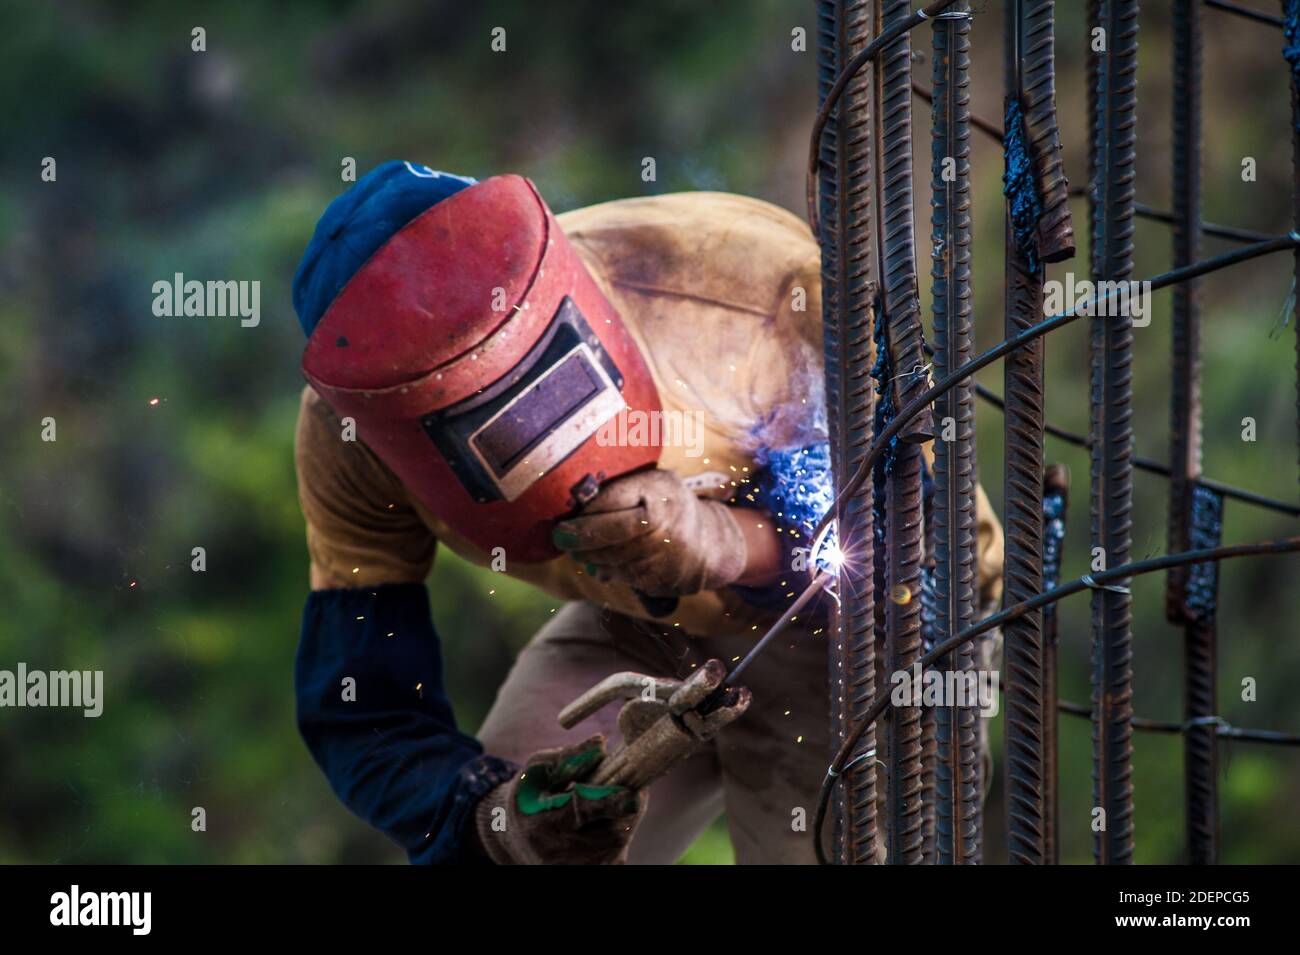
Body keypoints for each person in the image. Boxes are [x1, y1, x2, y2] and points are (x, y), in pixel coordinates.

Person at [291, 160, 1004, 864]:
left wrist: (727, 541)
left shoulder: (750, 287)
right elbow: (365, 706)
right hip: (640, 623)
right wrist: (494, 820)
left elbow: (922, 551)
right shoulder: (353, 436)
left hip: (856, 629)